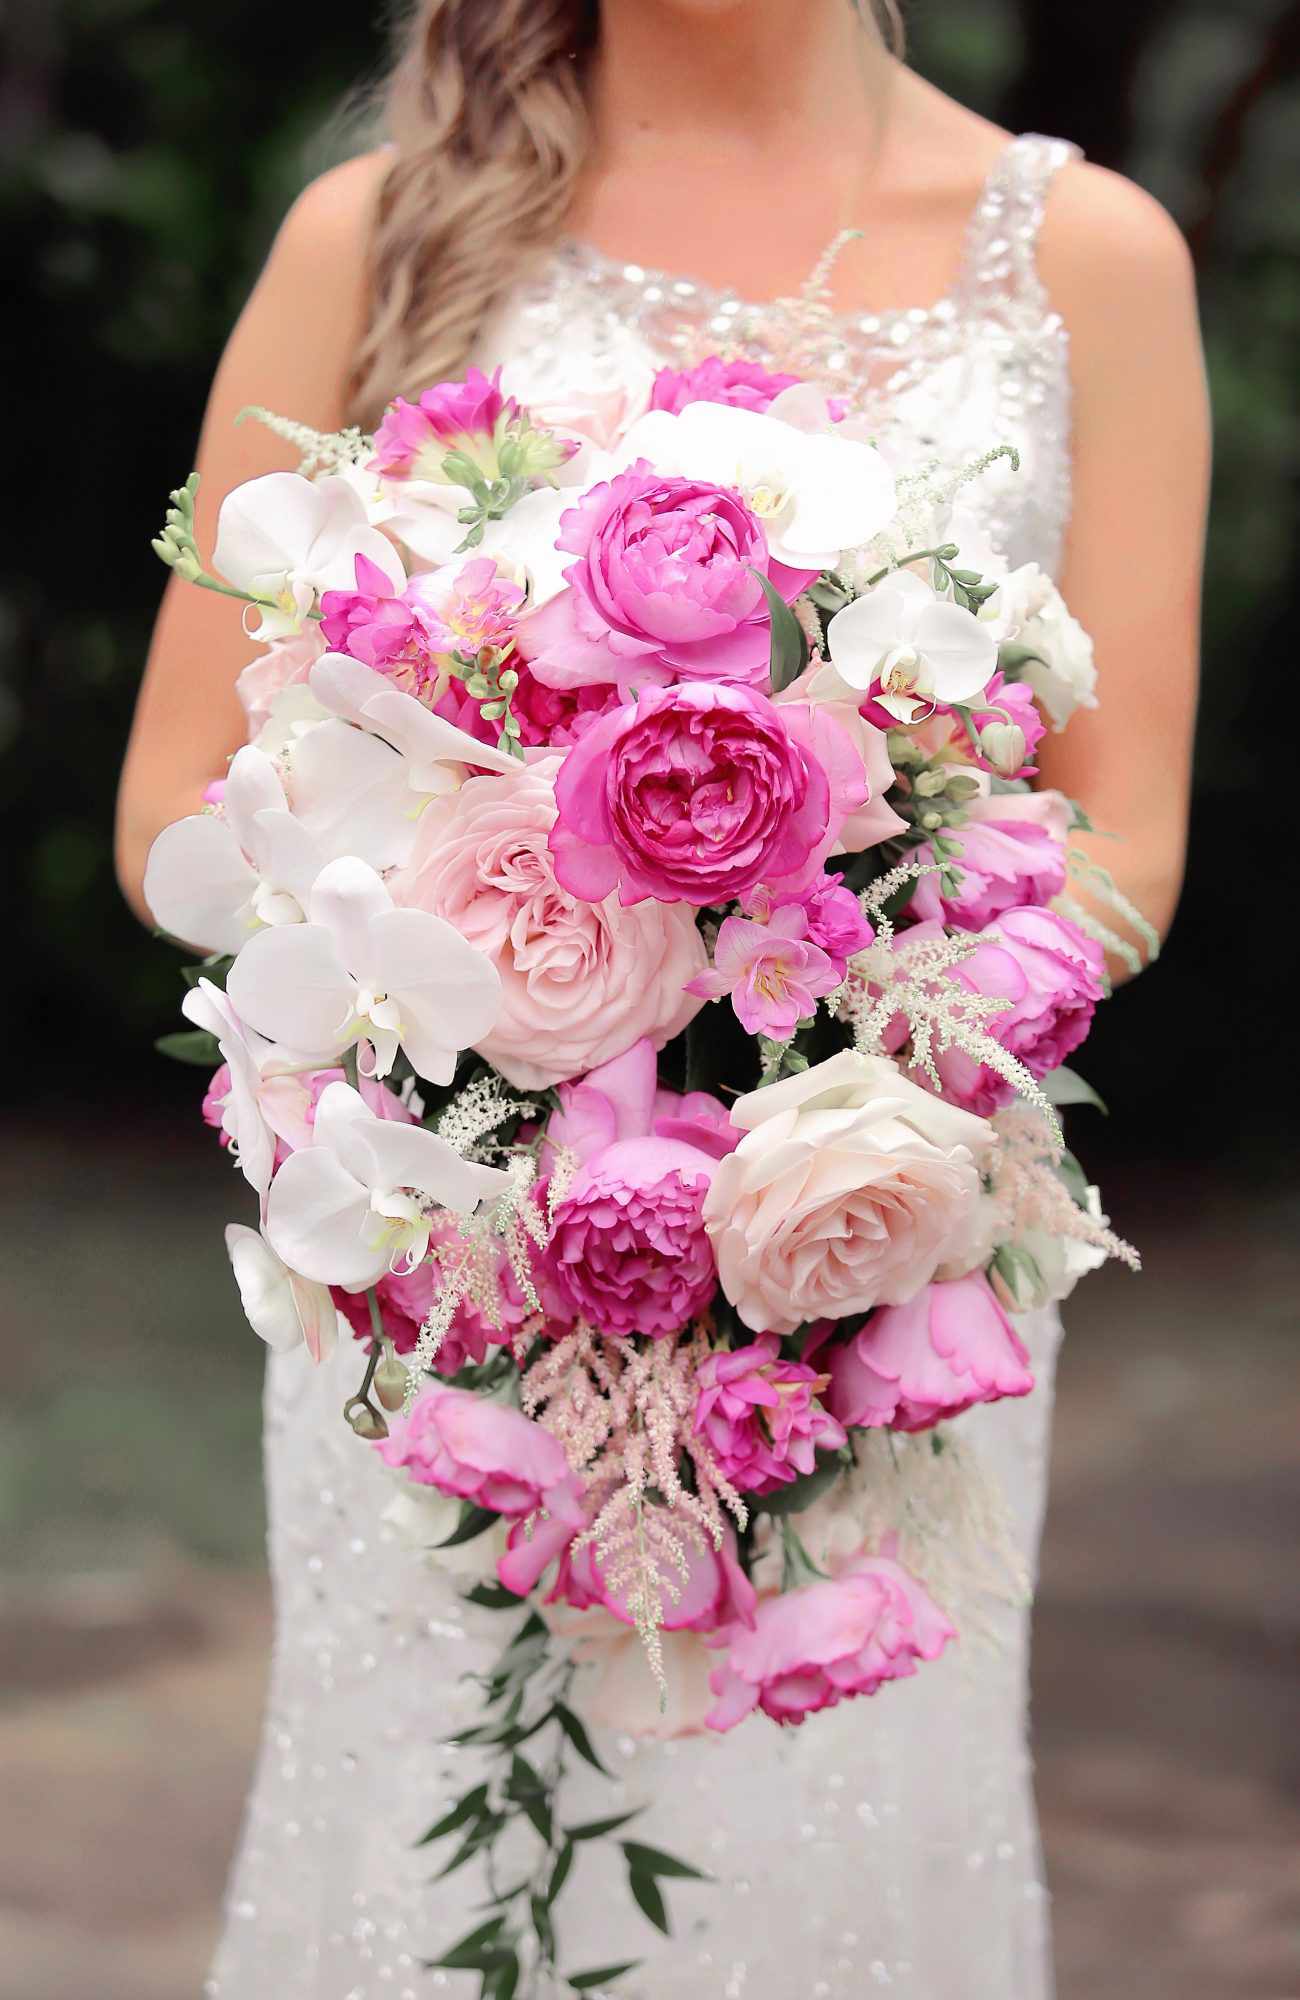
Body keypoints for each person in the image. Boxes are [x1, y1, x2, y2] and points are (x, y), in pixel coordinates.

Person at [115, 4, 1207, 1995]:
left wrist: (841, 1026)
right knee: (430, 1851)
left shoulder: (1080, 257)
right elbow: (176, 794)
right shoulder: (376, 235)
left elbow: (1121, 823)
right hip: (457, 1255)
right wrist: (511, 1027)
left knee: (835, 1843)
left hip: (862, 1245)